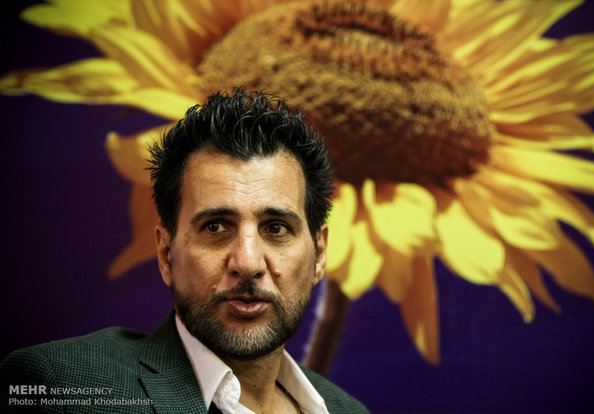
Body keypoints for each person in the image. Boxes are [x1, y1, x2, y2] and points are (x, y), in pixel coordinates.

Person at [0, 89, 369, 413]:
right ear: (166, 255)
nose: (247, 262)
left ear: (319, 254)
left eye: (276, 228)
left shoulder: (347, 410)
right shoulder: (63, 390)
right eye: (215, 227)